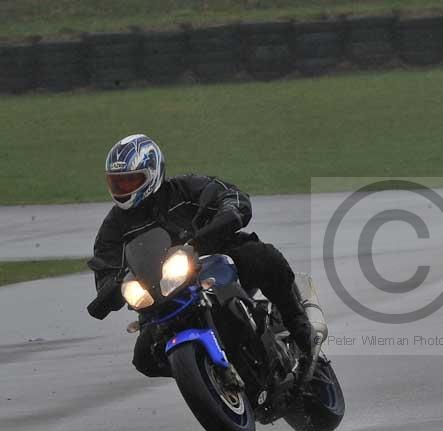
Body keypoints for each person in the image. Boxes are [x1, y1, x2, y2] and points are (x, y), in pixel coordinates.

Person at [87, 134, 314, 379]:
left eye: (131, 180)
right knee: (145, 358)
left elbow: (231, 196)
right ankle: (204, 376)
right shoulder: (113, 228)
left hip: (216, 263)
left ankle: (297, 323)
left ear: (153, 174)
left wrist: (222, 219)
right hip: (161, 296)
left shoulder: (184, 188)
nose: (124, 189)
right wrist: (112, 289)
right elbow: (104, 270)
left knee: (262, 256)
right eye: (117, 183)